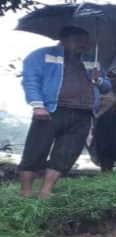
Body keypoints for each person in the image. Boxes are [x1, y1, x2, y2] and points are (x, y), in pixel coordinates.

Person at [18, 26, 110, 198]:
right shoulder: (42, 55)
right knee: (35, 151)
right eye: (78, 39)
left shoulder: (92, 60)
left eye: (85, 40)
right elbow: (31, 80)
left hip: (83, 113)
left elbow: (106, 87)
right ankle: (26, 192)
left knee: (67, 153)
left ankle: (46, 191)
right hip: (51, 110)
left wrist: (99, 80)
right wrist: (38, 105)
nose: (83, 44)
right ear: (63, 39)